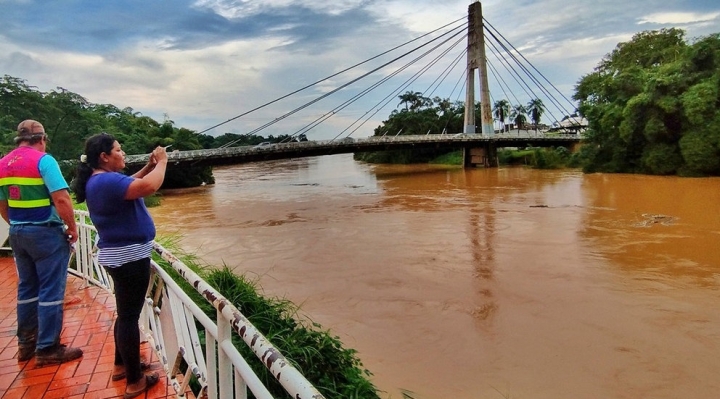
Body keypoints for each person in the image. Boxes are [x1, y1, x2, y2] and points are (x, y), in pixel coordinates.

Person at [73, 133, 166, 398]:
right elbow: (149, 187)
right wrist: (161, 162)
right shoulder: (105, 182)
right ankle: (135, 381)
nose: (122, 153)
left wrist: (148, 166)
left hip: (120, 255)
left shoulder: (102, 180)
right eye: (118, 150)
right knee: (128, 318)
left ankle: (122, 365)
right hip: (128, 257)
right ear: (104, 157)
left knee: (124, 314)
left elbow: (131, 182)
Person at [0, 119, 83, 366]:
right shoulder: (44, 161)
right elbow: (62, 199)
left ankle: (26, 344)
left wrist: (17, 223)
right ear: (42, 139)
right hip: (46, 233)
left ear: (19, 139)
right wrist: (72, 227)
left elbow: (2, 205)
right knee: (50, 290)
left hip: (17, 233)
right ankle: (47, 348)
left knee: (27, 288)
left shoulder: (2, 164)